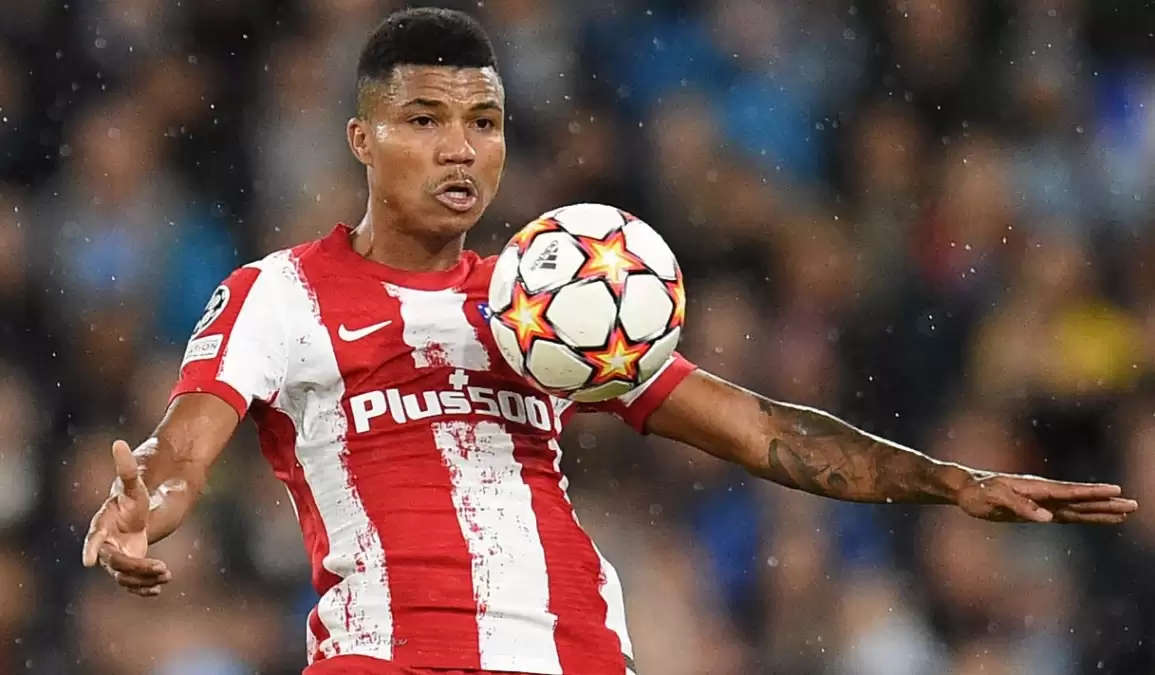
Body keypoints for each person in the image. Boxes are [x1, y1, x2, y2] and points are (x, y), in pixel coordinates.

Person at [81, 7, 1137, 675]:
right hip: (390, 656)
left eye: (484, 122)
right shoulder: (280, 293)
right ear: (364, 137)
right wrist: (144, 511)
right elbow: (182, 449)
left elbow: (762, 431)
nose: (460, 148)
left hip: (579, 654)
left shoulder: (549, 303)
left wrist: (951, 481)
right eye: (425, 119)